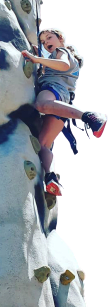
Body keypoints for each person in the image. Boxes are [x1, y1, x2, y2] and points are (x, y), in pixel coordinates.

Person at [22, 27, 107, 196]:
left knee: (41, 104)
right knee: (43, 144)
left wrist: (36, 59)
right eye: (43, 41)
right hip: (63, 103)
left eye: (49, 37)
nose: (46, 42)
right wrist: (40, 55)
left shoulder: (62, 51)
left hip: (53, 90)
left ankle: (89, 116)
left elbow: (63, 65)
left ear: (60, 38)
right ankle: (51, 177)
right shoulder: (66, 57)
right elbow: (56, 66)